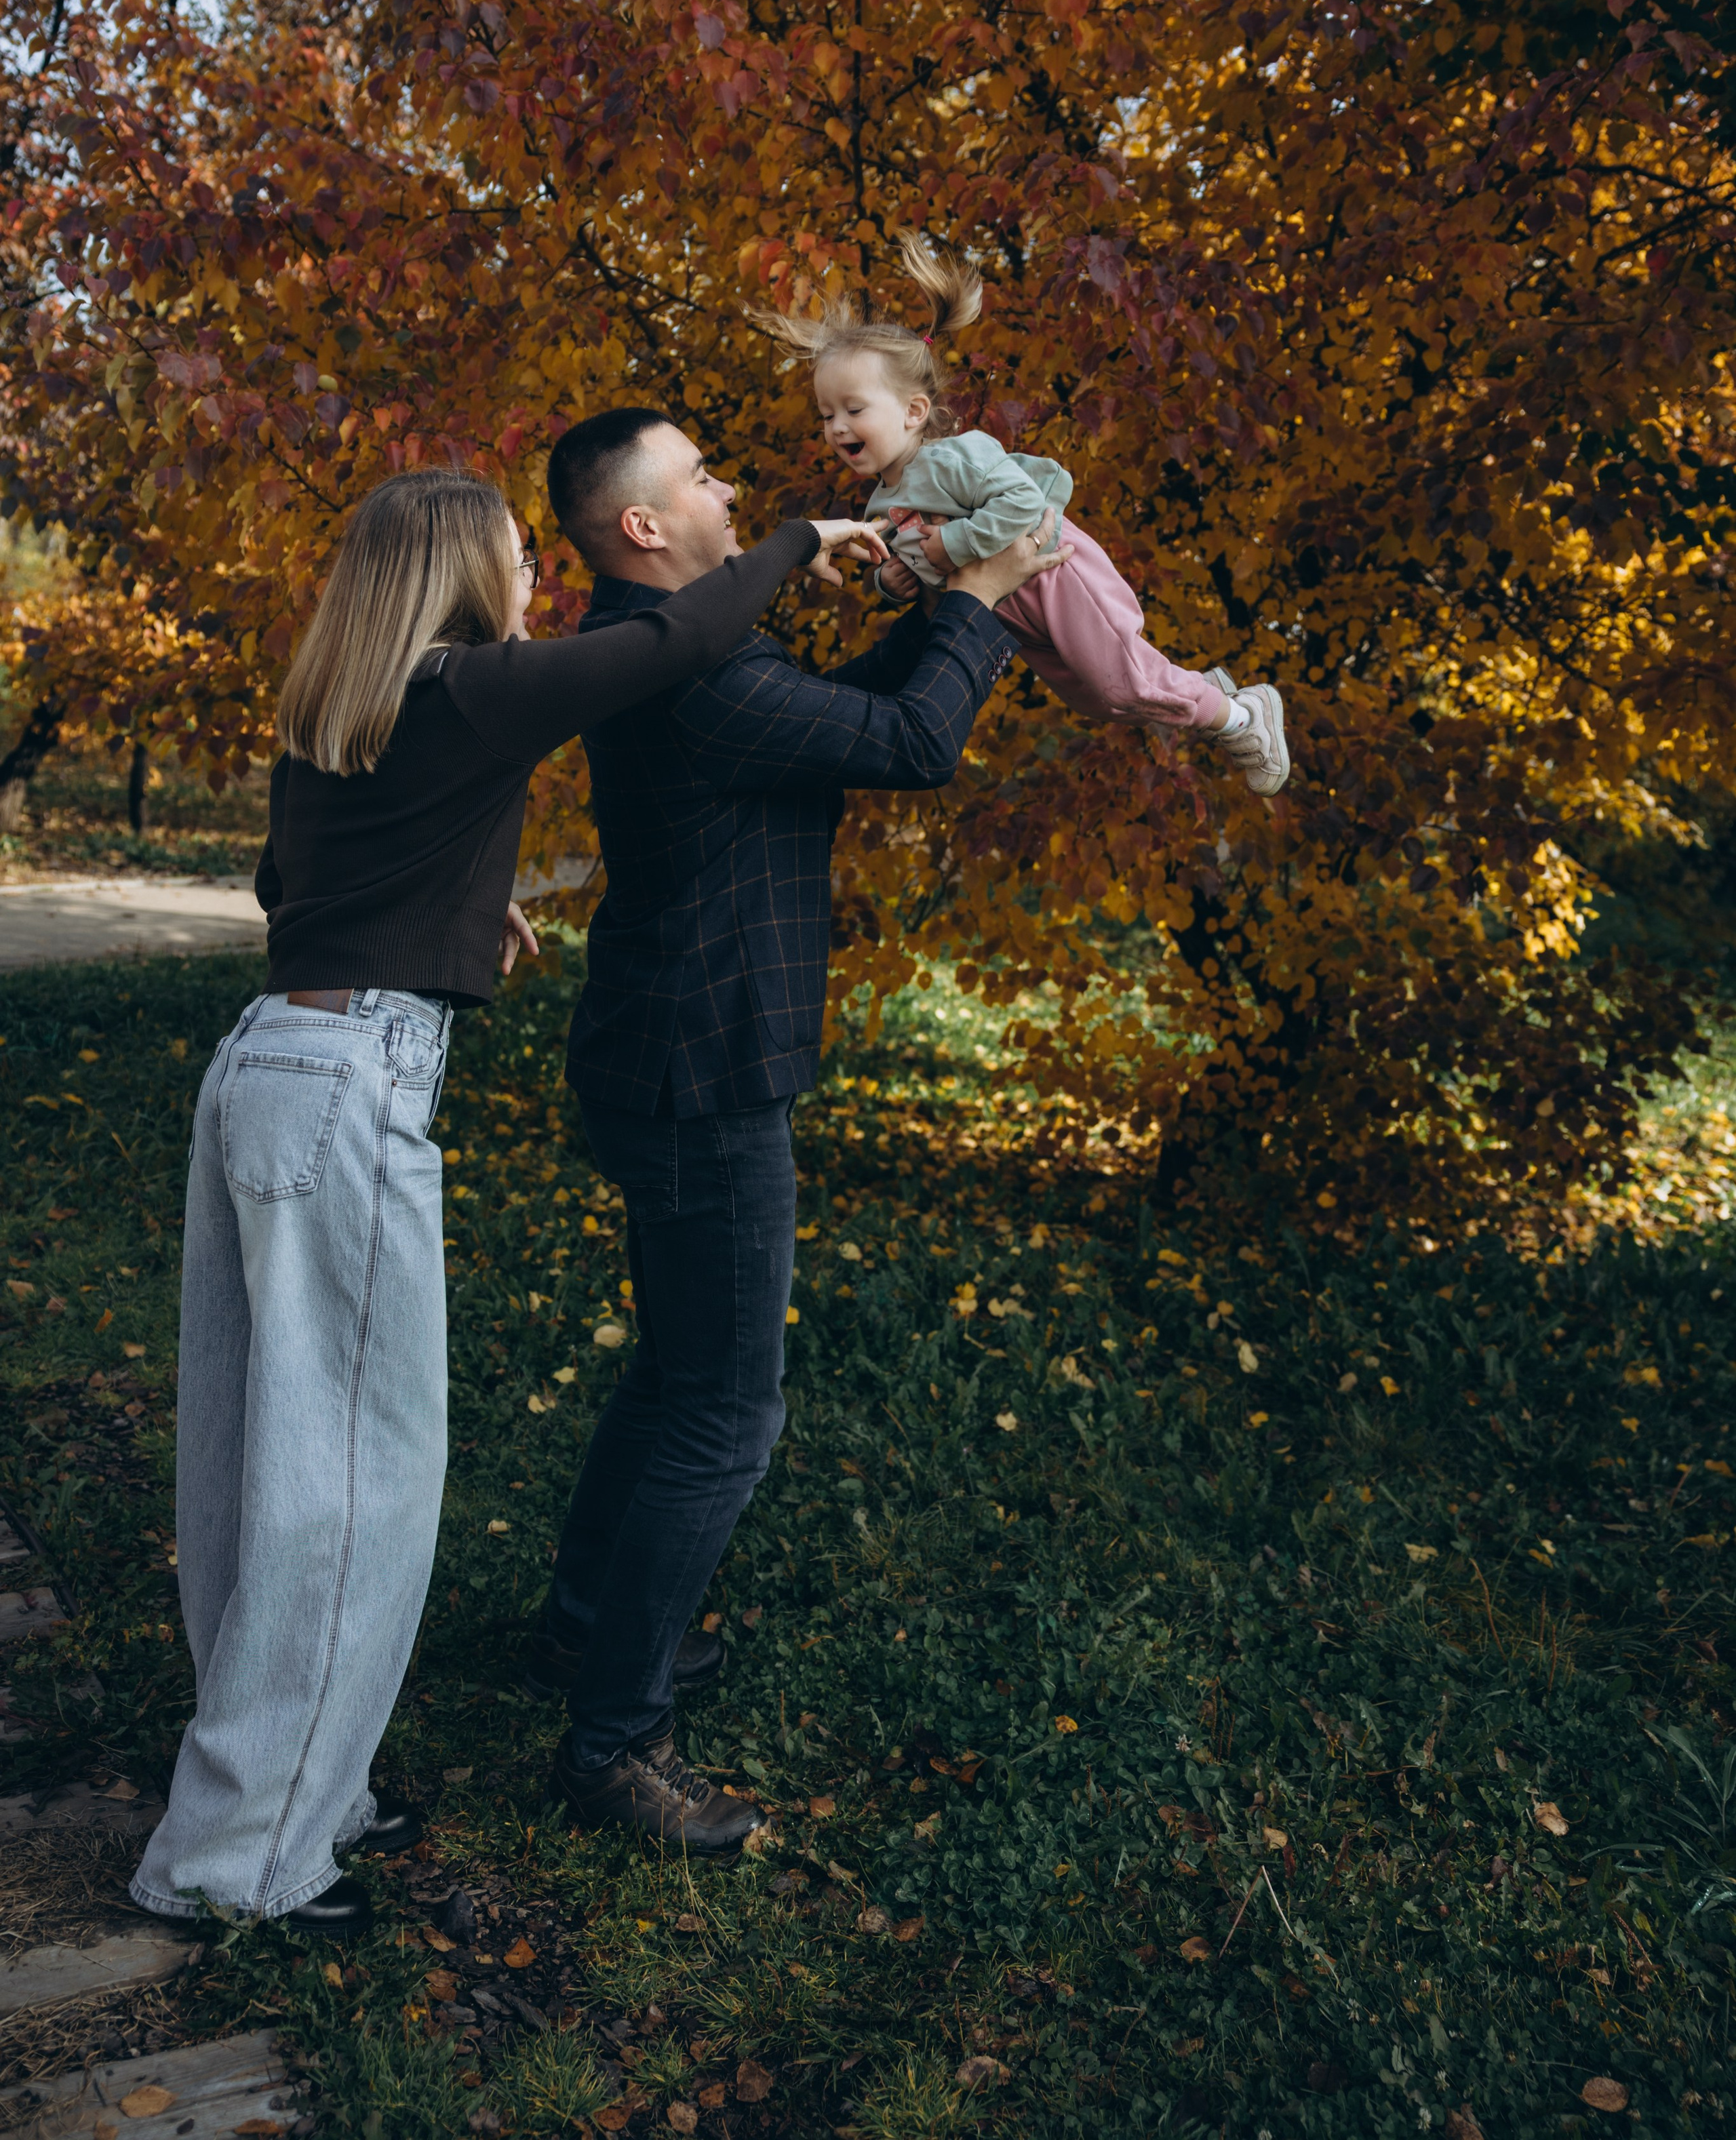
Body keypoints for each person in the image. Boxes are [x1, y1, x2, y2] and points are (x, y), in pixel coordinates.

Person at [129, 464, 886, 1941]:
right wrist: (800, 540)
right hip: (347, 1085)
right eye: (517, 560)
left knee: (256, 1462)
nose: (538, 581)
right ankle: (235, 1863)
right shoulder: (474, 686)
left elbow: (297, 880)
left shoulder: (342, 696)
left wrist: (463, 914)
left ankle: (301, 1792)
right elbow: (669, 645)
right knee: (353, 1482)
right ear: (468, 573)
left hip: (271, 1059)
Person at [526, 407, 1067, 1855]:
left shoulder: (693, 651)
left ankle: (587, 1630)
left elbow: (825, 725)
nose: (728, 489)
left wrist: (947, 606)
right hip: (700, 1072)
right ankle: (615, 1744)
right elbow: (901, 746)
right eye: (698, 477)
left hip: (667, 1050)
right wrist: (976, 597)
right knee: (724, 1411)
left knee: (678, 1374)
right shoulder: (690, 676)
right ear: (642, 527)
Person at [751, 233, 1290, 795]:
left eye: (853, 409)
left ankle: (1246, 716)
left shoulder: (955, 457)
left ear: (913, 412)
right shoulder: (880, 504)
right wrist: (894, 582)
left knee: (1123, 683)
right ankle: (1207, 696)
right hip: (1010, 608)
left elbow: (1024, 503)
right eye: (826, 413)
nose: (836, 426)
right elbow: (919, 566)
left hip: (1055, 572)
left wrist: (954, 546)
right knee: (1097, 697)